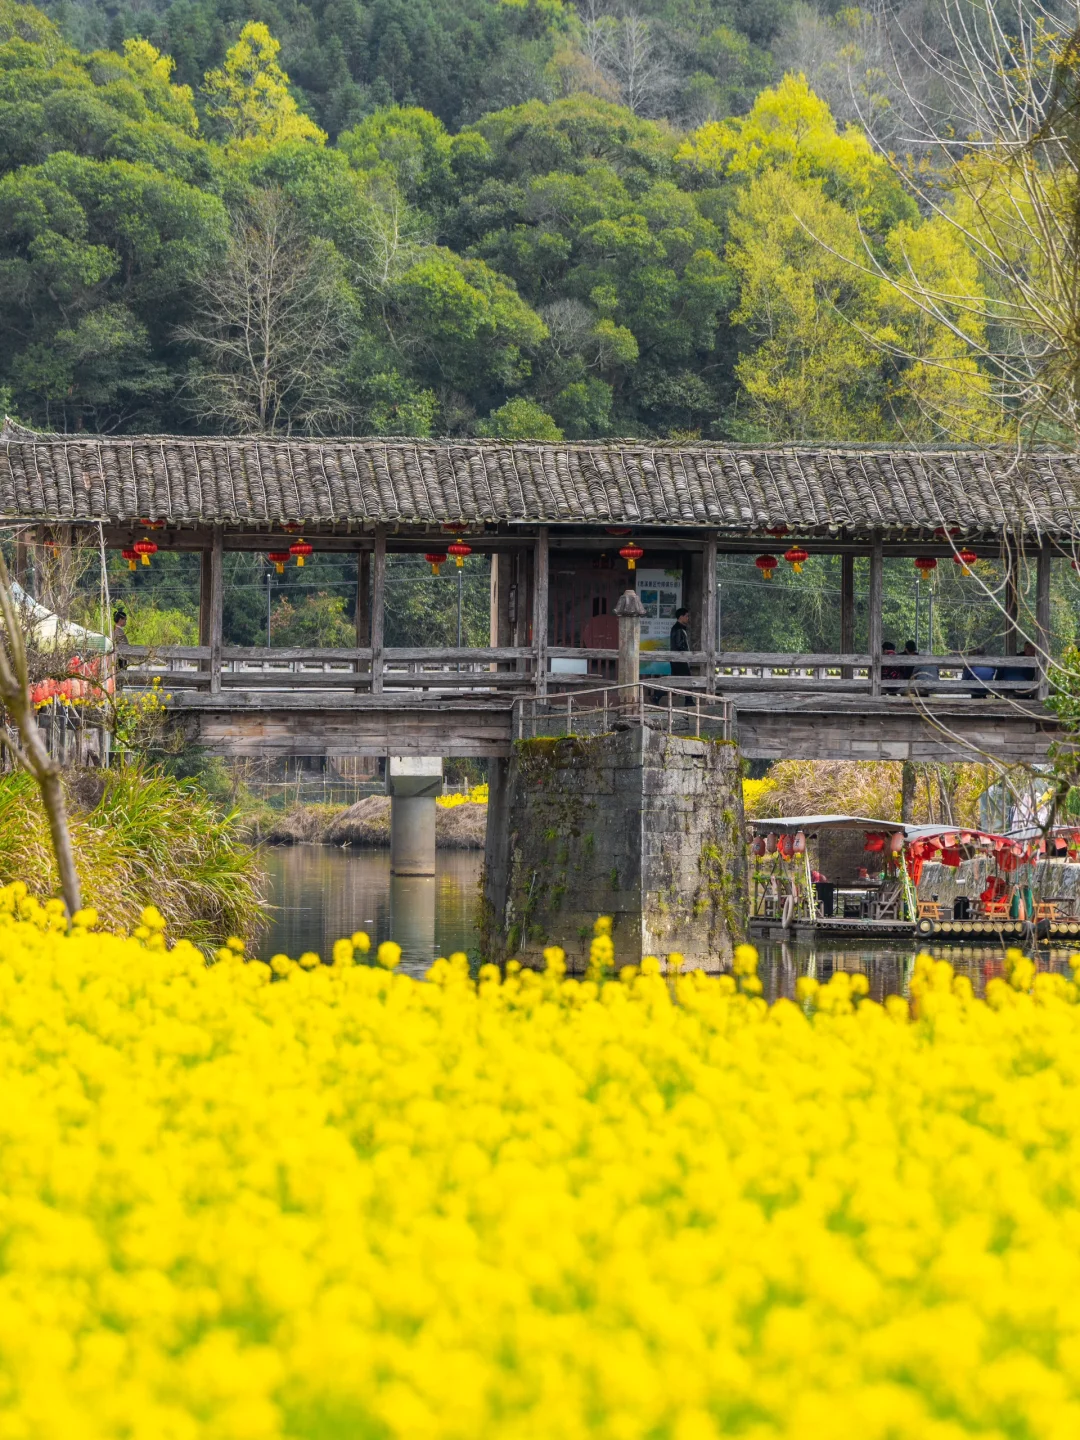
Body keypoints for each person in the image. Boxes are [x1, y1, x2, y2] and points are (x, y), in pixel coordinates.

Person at [670, 606, 693, 704]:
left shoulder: (677, 628)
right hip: (680, 660)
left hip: (677, 660)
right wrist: (686, 655)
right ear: (681, 617)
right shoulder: (679, 629)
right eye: (686, 616)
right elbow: (679, 645)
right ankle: (689, 701)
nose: (688, 618)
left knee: (673, 681)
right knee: (687, 680)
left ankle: (656, 696)